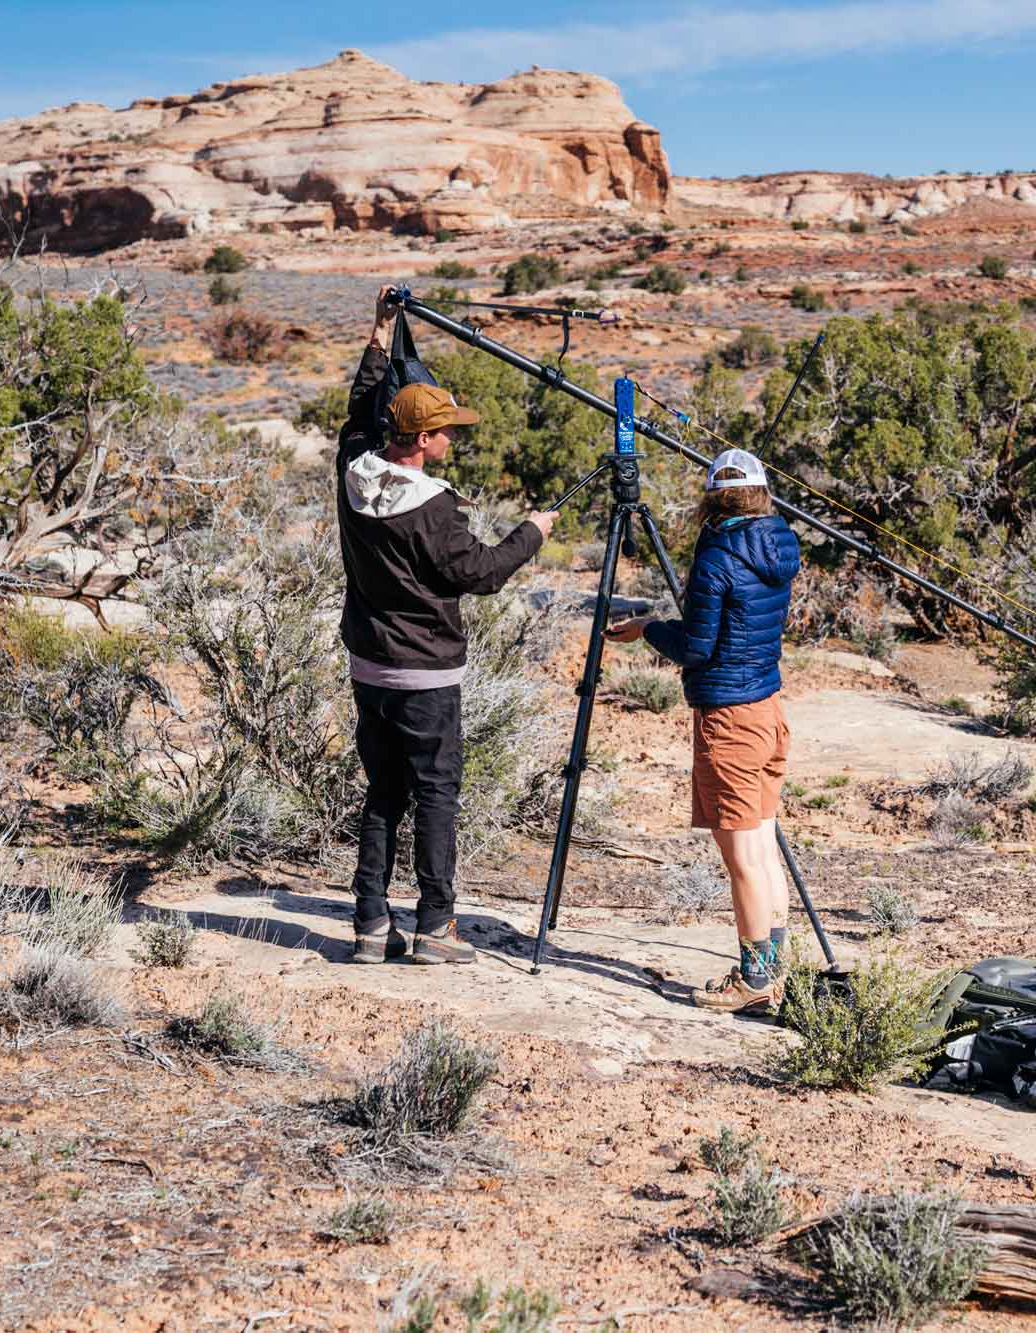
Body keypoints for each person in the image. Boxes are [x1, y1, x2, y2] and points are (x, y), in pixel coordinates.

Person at [336, 288, 558, 966]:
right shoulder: (432, 508)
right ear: (423, 440)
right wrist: (533, 532)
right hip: (426, 674)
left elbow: (358, 409)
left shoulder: (352, 469)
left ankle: (371, 923)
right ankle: (436, 926)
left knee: (383, 793)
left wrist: (378, 335)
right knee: (435, 796)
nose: (453, 438)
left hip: (370, 667)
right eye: (446, 430)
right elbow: (482, 571)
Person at [606, 448, 800, 1013]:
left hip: (730, 718)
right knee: (762, 847)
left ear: (713, 500)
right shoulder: (778, 541)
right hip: (767, 706)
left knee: (741, 856)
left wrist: (648, 628)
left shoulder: (718, 556)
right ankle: (774, 971)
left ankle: (756, 981)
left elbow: (696, 646)